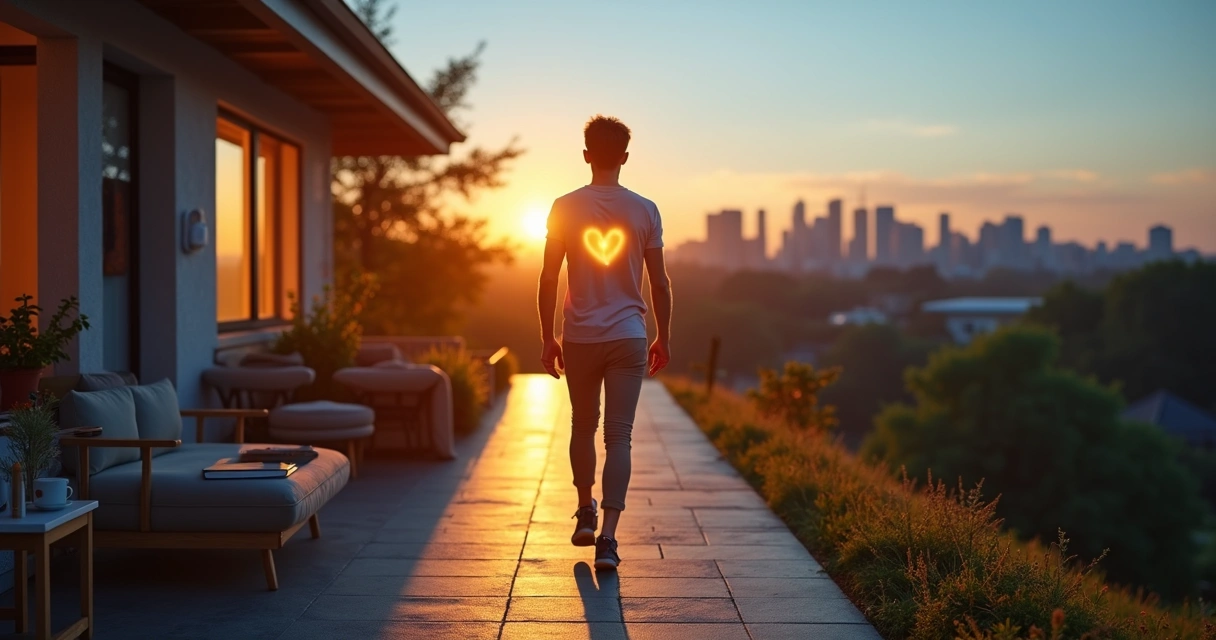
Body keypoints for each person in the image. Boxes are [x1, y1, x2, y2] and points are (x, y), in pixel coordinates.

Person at [537, 115, 673, 571]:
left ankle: (584, 509)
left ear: (586, 155)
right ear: (626, 158)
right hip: (629, 336)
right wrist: (663, 337)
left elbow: (548, 277)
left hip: (579, 335)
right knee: (620, 436)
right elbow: (660, 283)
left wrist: (546, 336)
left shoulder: (563, 206)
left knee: (582, 425)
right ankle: (609, 540)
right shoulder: (645, 209)